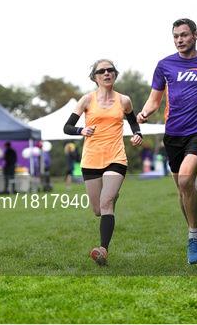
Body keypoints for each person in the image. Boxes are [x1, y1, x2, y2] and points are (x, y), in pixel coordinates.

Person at [137, 18, 197, 264]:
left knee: (185, 180)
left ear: (195, 35)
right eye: (175, 36)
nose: (179, 40)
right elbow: (154, 99)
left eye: (184, 35)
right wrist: (144, 113)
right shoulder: (164, 65)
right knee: (183, 190)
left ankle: (193, 237)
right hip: (173, 133)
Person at [63, 58, 143, 266]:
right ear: (95, 77)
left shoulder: (124, 100)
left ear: (115, 74)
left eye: (110, 70)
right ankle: (111, 195)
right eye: (102, 71)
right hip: (91, 159)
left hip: (116, 157)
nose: (107, 73)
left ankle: (103, 250)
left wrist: (137, 134)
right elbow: (67, 127)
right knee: (98, 210)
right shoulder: (87, 100)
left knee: (106, 203)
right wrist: (81, 130)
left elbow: (133, 121)